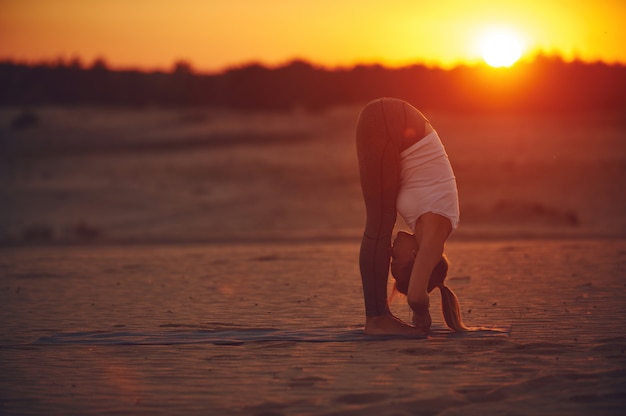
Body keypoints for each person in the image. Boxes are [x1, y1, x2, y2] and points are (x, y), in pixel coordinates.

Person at [356, 97, 466, 335]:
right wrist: (421, 314)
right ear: (417, 257)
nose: (391, 254)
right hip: (392, 121)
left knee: (381, 221)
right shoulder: (435, 236)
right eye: (397, 261)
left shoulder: (426, 224)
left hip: (390, 121)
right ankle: (376, 319)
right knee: (379, 224)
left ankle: (377, 317)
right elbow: (416, 297)